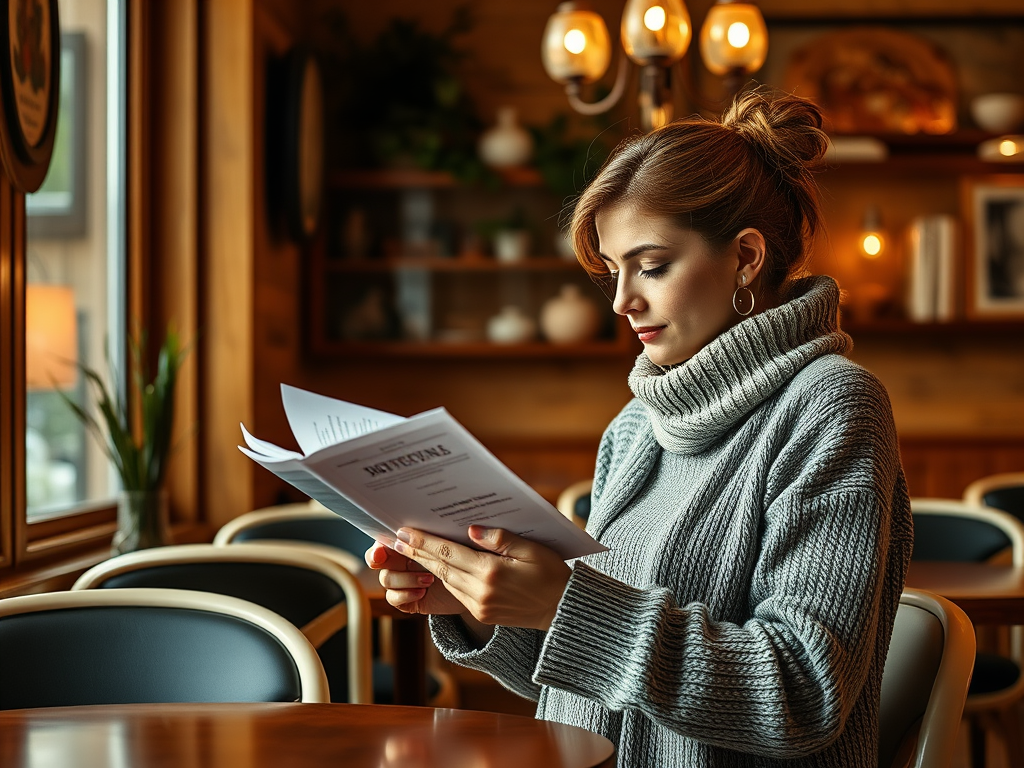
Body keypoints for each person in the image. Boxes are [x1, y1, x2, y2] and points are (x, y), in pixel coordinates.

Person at [366, 87, 913, 768]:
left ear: (746, 257)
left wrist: (567, 605)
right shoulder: (635, 427)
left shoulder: (833, 407)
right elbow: (594, 666)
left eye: (651, 266)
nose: (623, 301)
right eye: (613, 271)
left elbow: (802, 692)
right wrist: (483, 602)